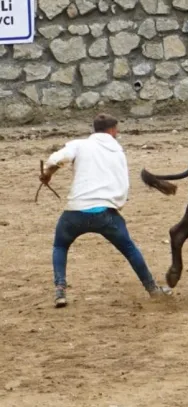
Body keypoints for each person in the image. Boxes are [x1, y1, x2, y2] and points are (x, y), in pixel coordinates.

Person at [40, 113, 173, 308]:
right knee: (129, 249)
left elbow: (55, 159)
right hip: (106, 214)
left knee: (60, 246)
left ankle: (60, 290)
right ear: (111, 130)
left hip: (75, 212)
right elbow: (123, 185)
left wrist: (48, 174)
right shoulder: (118, 151)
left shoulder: (80, 145)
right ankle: (152, 289)